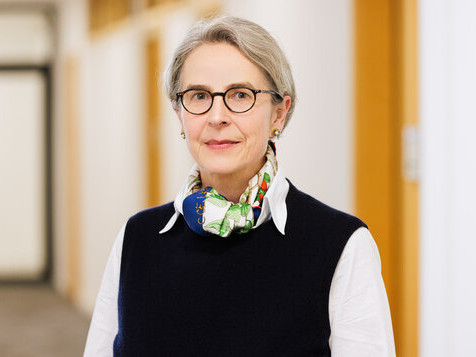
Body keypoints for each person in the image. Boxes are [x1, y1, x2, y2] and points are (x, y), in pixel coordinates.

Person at [84, 15, 395, 356]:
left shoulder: (340, 245)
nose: (217, 116)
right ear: (179, 113)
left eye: (240, 94)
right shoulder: (137, 239)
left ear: (279, 113)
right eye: (199, 95)